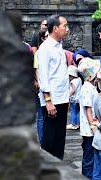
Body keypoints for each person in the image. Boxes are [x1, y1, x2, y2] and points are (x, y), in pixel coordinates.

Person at [37, 14, 70, 159]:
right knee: (50, 139)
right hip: (52, 101)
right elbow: (43, 76)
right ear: (55, 28)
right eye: (65, 26)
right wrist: (48, 101)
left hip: (62, 98)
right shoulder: (45, 48)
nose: (67, 29)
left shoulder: (59, 46)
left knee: (59, 139)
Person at [78, 58, 101, 179]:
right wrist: (92, 125)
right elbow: (88, 109)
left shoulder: (91, 87)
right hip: (89, 131)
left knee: (91, 155)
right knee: (89, 156)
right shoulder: (87, 88)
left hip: (91, 129)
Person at [33, 30, 48, 144]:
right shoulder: (39, 53)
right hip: (41, 89)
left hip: (49, 90)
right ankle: (43, 141)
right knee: (41, 116)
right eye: (47, 36)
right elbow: (36, 70)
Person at [66, 65, 82, 130]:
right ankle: (78, 124)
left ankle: (73, 124)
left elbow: (73, 90)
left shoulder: (73, 81)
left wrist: (68, 95)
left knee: (73, 111)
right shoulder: (79, 79)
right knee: (77, 111)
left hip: (74, 99)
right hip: (79, 99)